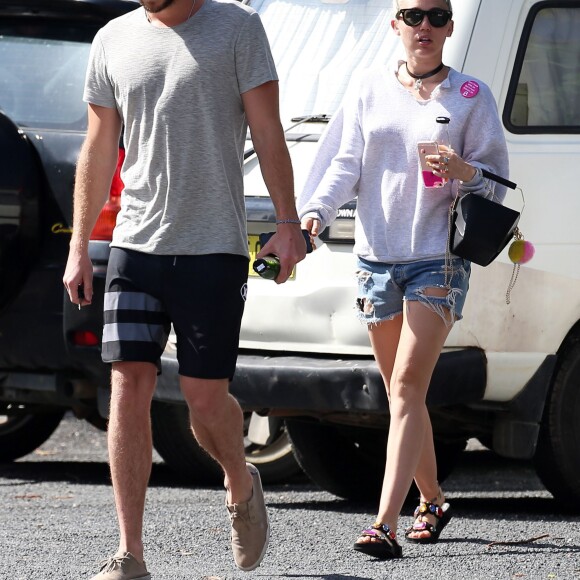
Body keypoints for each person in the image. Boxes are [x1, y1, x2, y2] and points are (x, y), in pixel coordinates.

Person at [63, 0, 307, 578]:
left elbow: (268, 129)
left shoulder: (238, 28)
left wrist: (288, 223)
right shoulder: (113, 38)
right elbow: (98, 147)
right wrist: (79, 245)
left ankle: (239, 477)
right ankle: (130, 554)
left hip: (212, 248)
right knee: (128, 385)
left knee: (203, 398)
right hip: (134, 246)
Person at [298, 0, 509, 559]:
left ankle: (384, 523)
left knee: (409, 388)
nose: (425, 27)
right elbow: (346, 161)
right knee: (399, 396)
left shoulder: (471, 96)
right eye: (413, 16)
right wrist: (318, 209)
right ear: (395, 24)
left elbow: (497, 182)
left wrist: (462, 171)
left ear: (450, 27)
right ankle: (434, 500)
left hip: (436, 260)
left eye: (438, 16)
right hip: (375, 259)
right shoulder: (368, 86)